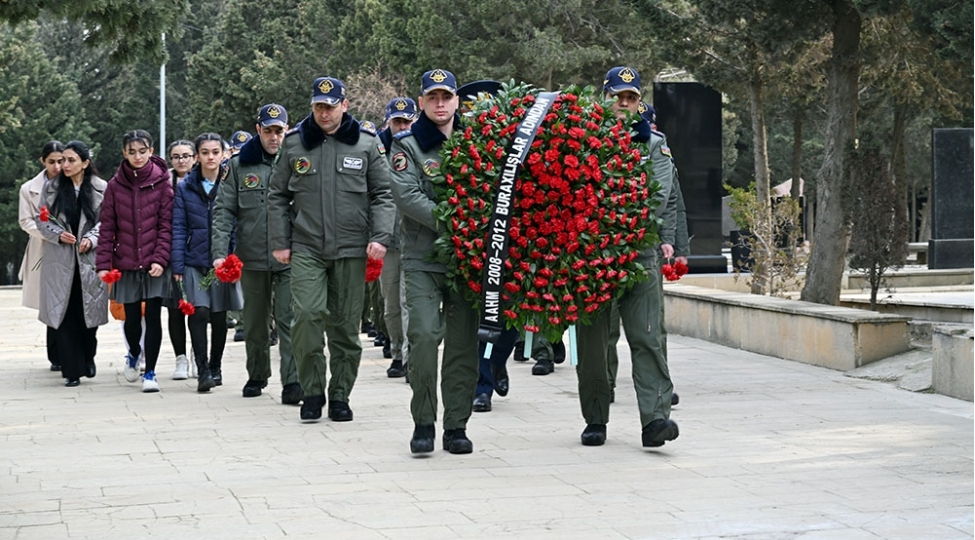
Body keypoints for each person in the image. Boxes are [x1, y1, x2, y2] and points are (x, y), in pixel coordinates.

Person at [268, 76, 394, 423]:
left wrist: (381, 236)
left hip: (352, 248)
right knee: (307, 316)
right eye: (318, 106)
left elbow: (383, 193)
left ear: (344, 105)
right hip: (306, 246)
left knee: (345, 327)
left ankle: (340, 395)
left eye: (331, 106)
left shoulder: (366, 145)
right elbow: (277, 194)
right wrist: (280, 241)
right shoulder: (294, 144)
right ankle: (312, 392)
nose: (324, 113)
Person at [574, 67, 679, 448]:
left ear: (639, 103)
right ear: (603, 98)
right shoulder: (581, 140)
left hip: (639, 255)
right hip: (591, 258)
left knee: (647, 337)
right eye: (617, 95)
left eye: (631, 97)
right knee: (593, 344)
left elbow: (657, 196)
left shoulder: (654, 144)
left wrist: (609, 219)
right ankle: (595, 418)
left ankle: (655, 420)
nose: (623, 103)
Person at [389, 69, 479, 454]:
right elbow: (407, 197)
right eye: (433, 97)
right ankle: (424, 421)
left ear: (457, 100)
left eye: (447, 96)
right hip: (423, 257)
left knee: (462, 345)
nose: (440, 104)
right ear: (422, 101)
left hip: (468, 261)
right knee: (424, 337)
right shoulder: (406, 145)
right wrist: (457, 219)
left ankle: (456, 426)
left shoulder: (477, 141)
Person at [213, 104, 301, 404]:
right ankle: (257, 374)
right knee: (254, 321)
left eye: (279, 131)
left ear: (287, 130)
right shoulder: (238, 165)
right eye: (268, 131)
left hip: (291, 255)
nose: (274, 137)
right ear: (258, 130)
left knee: (290, 319)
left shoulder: (297, 160)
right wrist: (219, 253)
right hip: (251, 256)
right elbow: (223, 211)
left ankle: (293, 381)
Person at [97, 130, 174, 393]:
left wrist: (161, 259)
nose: (138, 156)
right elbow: (107, 227)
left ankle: (150, 371)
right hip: (126, 261)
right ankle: (133, 352)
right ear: (124, 154)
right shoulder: (114, 186)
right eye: (132, 152)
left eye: (142, 151)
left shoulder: (163, 183)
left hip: (154, 262)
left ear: (151, 151)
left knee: (153, 315)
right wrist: (103, 265)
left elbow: (167, 225)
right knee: (130, 317)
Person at [172, 132, 244, 393]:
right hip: (194, 260)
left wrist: (233, 257)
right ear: (197, 156)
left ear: (224, 154)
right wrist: (177, 265)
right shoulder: (185, 187)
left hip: (222, 261)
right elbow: (178, 226)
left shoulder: (231, 183)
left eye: (216, 152)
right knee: (199, 311)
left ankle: (216, 365)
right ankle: (202, 369)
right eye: (205, 152)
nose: (210, 157)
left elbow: (237, 224)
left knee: (219, 314)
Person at [37, 141, 109, 386]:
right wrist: (58, 234)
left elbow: (108, 222)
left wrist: (91, 238)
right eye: (62, 160)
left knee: (87, 315)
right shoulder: (51, 188)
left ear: (85, 163)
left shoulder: (101, 188)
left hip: (90, 262)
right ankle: (71, 370)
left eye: (70, 161)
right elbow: (42, 220)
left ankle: (88, 356)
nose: (64, 165)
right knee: (65, 314)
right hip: (60, 261)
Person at [377, 97, 418, 378]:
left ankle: (411, 358)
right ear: (388, 122)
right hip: (386, 240)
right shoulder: (376, 151)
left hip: (414, 238)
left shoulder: (420, 148)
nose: (402, 127)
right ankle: (396, 350)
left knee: (409, 302)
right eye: (397, 122)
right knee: (390, 304)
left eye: (407, 121)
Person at [19, 141, 65, 372]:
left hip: (71, 249)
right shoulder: (29, 189)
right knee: (50, 303)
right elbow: (26, 221)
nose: (57, 166)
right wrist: (51, 235)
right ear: (42, 161)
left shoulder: (75, 182)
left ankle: (74, 352)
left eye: (61, 161)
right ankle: (55, 355)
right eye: (52, 162)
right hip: (44, 247)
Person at [165, 139, 197, 380]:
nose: (181, 160)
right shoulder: (164, 182)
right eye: (176, 156)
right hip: (171, 250)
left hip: (198, 252)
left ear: (194, 157)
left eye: (186, 156)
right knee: (176, 308)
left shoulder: (204, 179)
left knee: (199, 308)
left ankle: (198, 354)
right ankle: (180, 358)